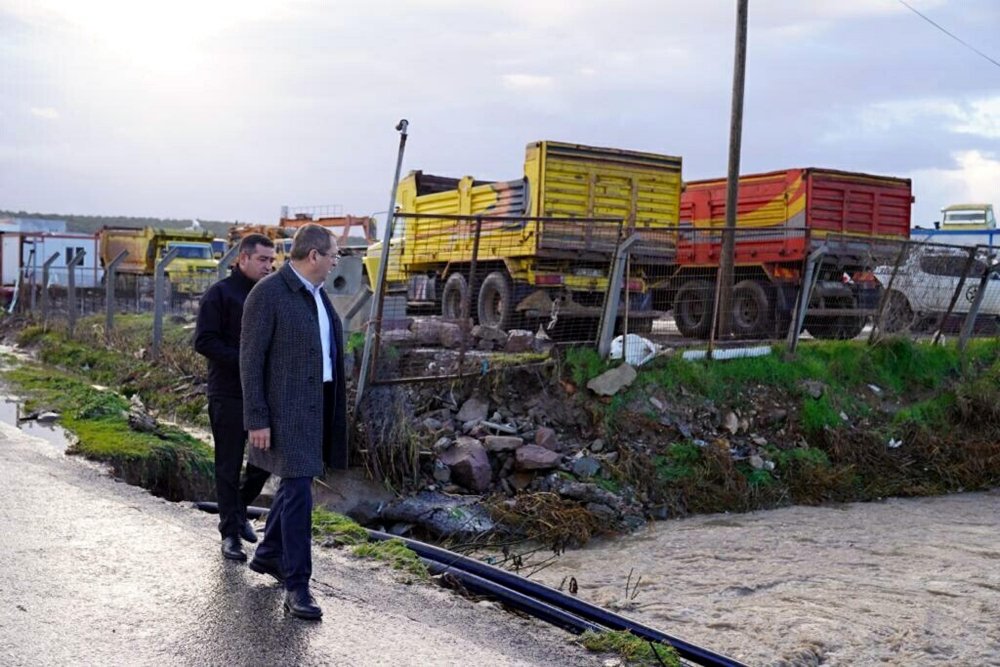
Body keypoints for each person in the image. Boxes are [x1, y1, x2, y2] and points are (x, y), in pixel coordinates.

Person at [240, 223, 348, 621]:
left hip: (318, 405)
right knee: (301, 490)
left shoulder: (319, 295)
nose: (337, 260)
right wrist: (257, 419)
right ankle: (298, 586)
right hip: (285, 411)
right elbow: (250, 362)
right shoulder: (268, 294)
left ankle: (268, 555)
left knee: (294, 482)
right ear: (315, 256)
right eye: (334, 254)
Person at [194, 233, 276, 562]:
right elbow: (204, 341)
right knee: (227, 465)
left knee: (262, 462)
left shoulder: (270, 294)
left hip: (263, 395)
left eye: (272, 260)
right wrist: (245, 360)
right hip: (228, 393)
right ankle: (230, 534)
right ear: (242, 259)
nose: (269, 266)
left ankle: (238, 510)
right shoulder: (221, 294)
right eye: (262, 260)